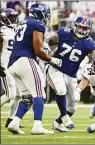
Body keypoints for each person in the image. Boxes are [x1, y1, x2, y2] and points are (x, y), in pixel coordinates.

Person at [7, 3, 61, 135]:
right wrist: (51, 59)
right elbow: (38, 50)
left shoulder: (24, 23)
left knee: (27, 97)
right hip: (24, 60)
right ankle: (37, 126)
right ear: (41, 14)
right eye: (46, 14)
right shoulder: (38, 24)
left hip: (13, 63)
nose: (47, 17)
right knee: (40, 93)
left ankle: (15, 122)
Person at [45, 16, 95, 132]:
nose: (82, 30)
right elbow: (49, 40)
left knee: (73, 107)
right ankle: (64, 116)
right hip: (56, 68)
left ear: (89, 29)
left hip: (71, 74)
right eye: (80, 27)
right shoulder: (64, 32)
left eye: (85, 28)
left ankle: (57, 123)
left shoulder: (90, 43)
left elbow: (94, 61)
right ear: (75, 26)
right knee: (61, 90)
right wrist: (46, 47)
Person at [0, 8, 26, 128]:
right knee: (11, 94)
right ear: (5, 19)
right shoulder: (2, 31)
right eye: (11, 18)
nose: (14, 20)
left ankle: (10, 119)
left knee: (19, 95)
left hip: (14, 65)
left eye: (15, 17)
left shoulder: (17, 30)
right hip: (4, 65)